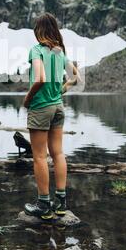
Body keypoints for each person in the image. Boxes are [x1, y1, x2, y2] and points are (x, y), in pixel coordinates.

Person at [23, 13, 80, 220]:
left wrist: (27, 99)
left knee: (39, 156)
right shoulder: (59, 52)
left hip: (40, 107)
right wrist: (60, 91)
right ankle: (62, 203)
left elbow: (39, 78)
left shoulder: (37, 50)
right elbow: (75, 78)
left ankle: (44, 205)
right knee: (58, 154)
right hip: (58, 108)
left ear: (38, 31)